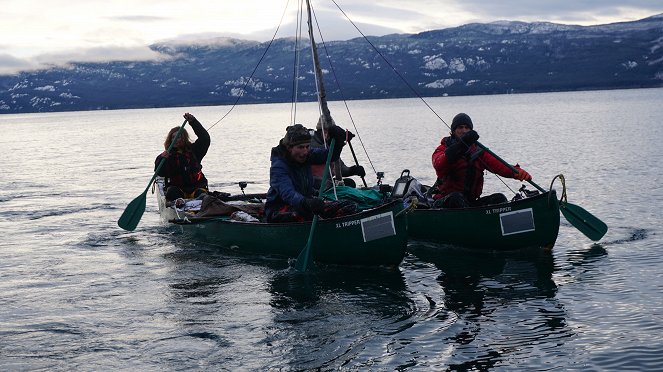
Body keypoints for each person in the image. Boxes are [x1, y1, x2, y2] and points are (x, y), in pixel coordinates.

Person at [431, 112, 531, 208]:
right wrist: (461, 146)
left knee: (499, 198)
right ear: (453, 131)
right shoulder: (442, 149)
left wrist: (516, 172)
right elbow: (439, 164)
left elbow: (499, 165)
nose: (464, 131)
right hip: (445, 202)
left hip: (471, 203)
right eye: (460, 127)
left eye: (467, 127)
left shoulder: (478, 151)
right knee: (456, 197)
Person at [264, 123, 357, 222]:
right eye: (300, 147)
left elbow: (330, 155)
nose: (305, 151)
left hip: (306, 202)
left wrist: (338, 141)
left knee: (348, 206)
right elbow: (288, 193)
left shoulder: (308, 155)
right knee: (306, 215)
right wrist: (307, 202)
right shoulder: (279, 166)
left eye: (307, 146)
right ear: (289, 148)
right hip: (279, 209)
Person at [155, 112, 210, 203]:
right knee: (172, 193)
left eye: (179, 137)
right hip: (178, 189)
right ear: (170, 139)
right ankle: (179, 203)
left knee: (202, 195)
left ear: (184, 138)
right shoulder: (167, 156)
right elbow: (160, 173)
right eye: (173, 137)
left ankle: (199, 204)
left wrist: (193, 122)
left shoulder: (195, 151)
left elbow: (205, 138)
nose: (176, 140)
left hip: (196, 188)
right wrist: (161, 158)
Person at [310, 115, 366, 189]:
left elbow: (340, 168)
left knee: (350, 183)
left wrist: (353, 170)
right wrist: (338, 142)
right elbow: (326, 154)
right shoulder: (310, 142)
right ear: (325, 131)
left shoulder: (330, 143)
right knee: (327, 184)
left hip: (327, 182)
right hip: (312, 182)